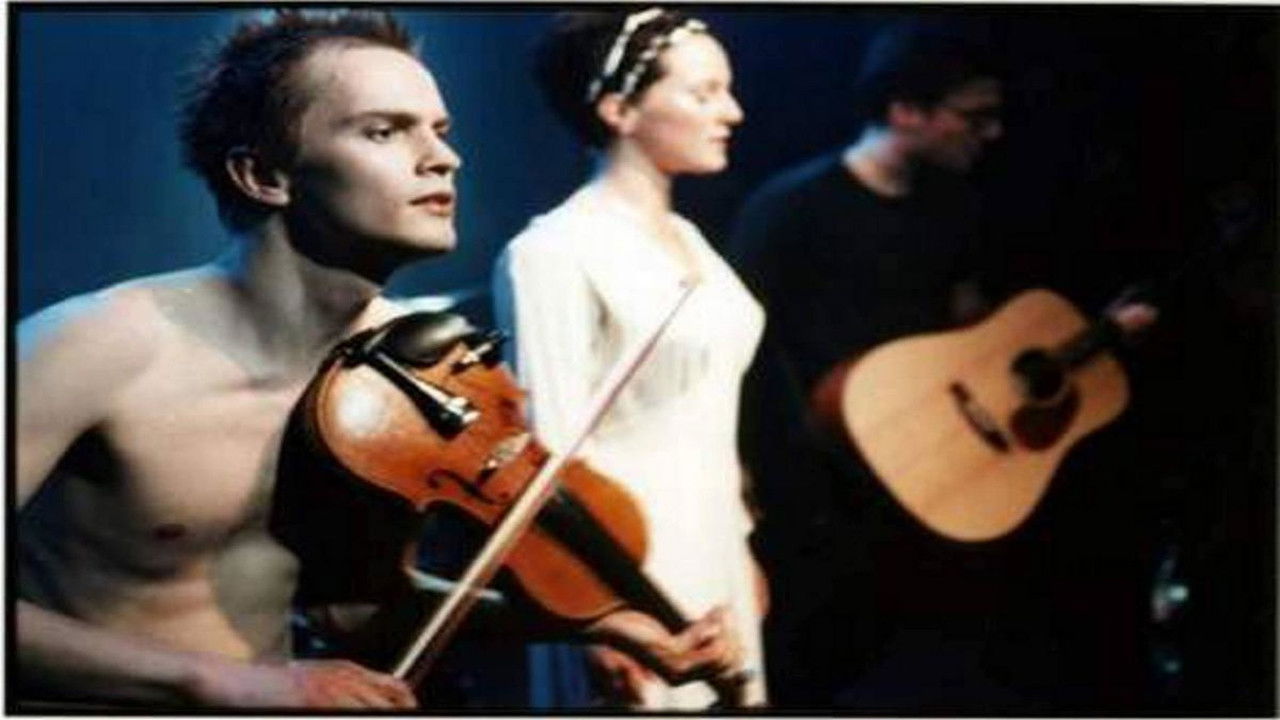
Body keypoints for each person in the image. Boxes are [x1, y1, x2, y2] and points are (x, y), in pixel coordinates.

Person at [15, 9, 733, 710]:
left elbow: (361, 612)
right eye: (384, 131)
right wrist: (216, 682)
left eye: (439, 131)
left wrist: (601, 625)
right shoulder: (94, 347)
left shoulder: (409, 376)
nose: (443, 158)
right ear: (263, 175)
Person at [729, 24, 1155, 710]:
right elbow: (734, 349)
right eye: (973, 116)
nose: (990, 133)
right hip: (823, 488)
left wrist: (1084, 344)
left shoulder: (954, 206)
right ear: (905, 110)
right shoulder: (790, 208)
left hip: (940, 477)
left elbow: (972, 330)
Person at [491, 8, 768, 710]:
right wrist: (596, 621)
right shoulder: (553, 251)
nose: (732, 112)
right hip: (619, 570)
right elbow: (547, 455)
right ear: (618, 109)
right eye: (704, 93)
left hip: (712, 544)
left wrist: (739, 542)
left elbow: (708, 415)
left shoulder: (690, 240)